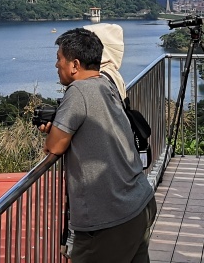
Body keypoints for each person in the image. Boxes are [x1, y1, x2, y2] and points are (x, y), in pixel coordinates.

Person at [40, 28, 156, 263]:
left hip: (109, 220)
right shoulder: (106, 83)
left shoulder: (78, 91)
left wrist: (51, 131)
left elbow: (54, 147)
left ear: (74, 64)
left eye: (58, 59)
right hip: (139, 203)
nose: (56, 65)